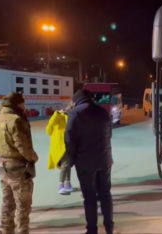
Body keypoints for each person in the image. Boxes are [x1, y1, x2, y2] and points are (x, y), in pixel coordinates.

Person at [65, 89, 114, 234]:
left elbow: (69, 139)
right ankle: (109, 228)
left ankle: (92, 230)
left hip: (84, 162)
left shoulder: (75, 113)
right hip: (104, 160)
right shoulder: (102, 112)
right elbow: (109, 134)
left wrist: (72, 159)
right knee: (105, 194)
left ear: (76, 100)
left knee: (90, 197)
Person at [0, 93, 38, 234]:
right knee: (23, 206)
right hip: (18, 168)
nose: (24, 106)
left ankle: (7, 230)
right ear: (18, 104)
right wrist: (33, 157)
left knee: (7, 203)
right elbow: (22, 145)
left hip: (3, 166)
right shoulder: (16, 120)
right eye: (23, 103)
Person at [46, 104, 74, 195]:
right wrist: (57, 113)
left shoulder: (71, 117)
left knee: (67, 164)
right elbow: (49, 129)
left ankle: (67, 183)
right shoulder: (59, 117)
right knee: (65, 164)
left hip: (68, 144)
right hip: (61, 145)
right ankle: (61, 185)